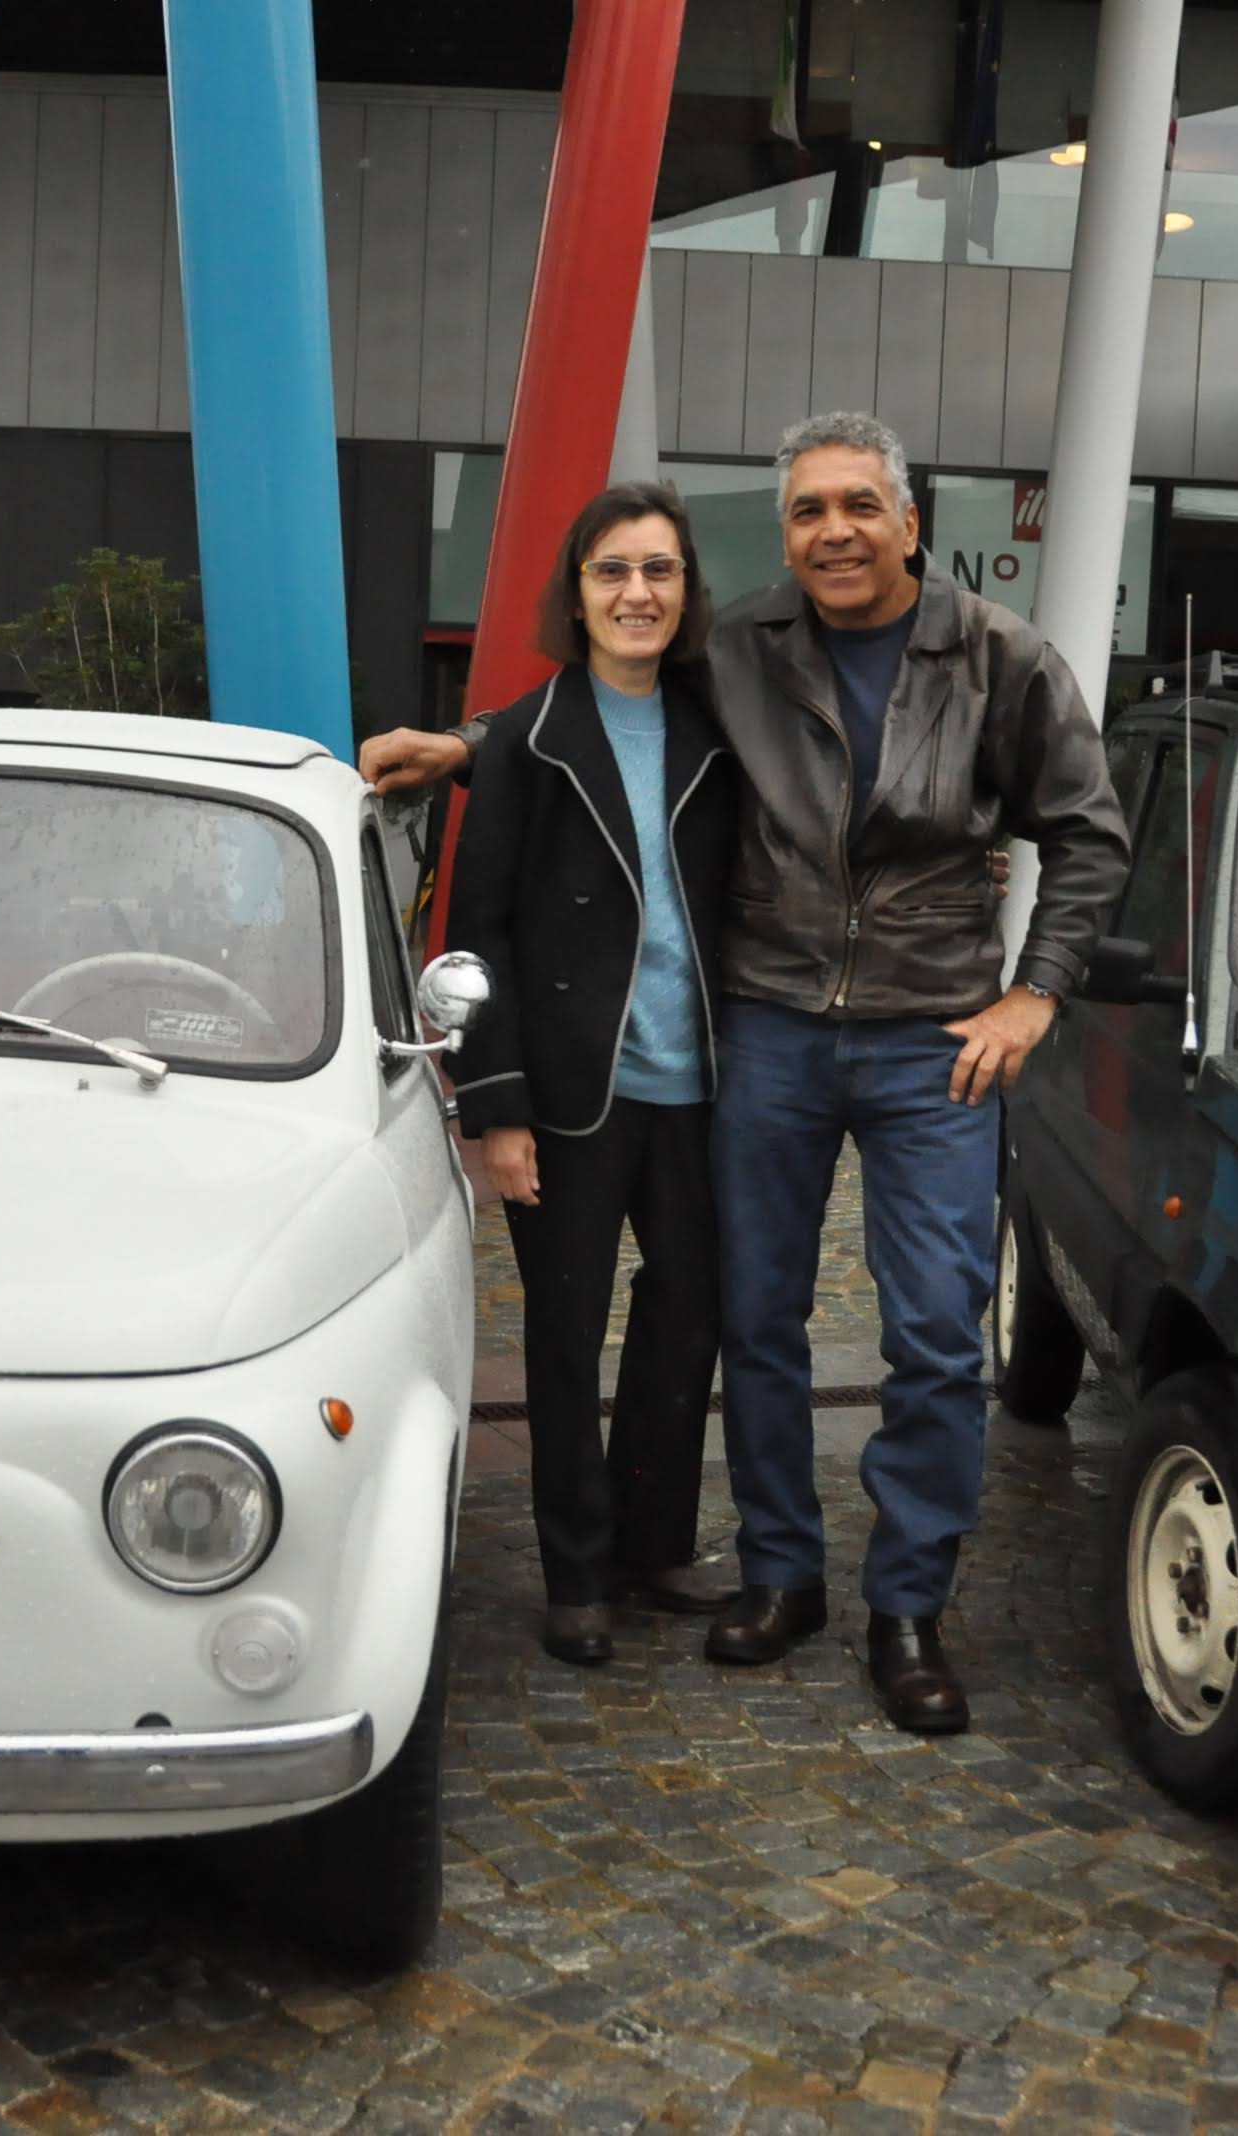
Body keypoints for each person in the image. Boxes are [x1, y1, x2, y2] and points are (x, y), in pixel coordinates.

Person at [362, 412, 1129, 1734]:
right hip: (769, 1027)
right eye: (808, 511)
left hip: (932, 1035)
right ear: (784, 535)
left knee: (936, 1334)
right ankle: (782, 1577)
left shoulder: (1000, 659)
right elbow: (600, 700)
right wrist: (469, 745)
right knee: (755, 1321)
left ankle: (907, 1607)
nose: (834, 531)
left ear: (909, 522)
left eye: (858, 505)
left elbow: (1090, 834)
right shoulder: (745, 646)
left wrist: (1035, 993)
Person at [449, 482, 739, 1667]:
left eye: (659, 570)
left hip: (703, 1089)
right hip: (573, 1094)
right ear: (577, 594)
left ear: (687, 591)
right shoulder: (527, 741)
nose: (637, 592)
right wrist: (497, 1108)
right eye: (612, 570)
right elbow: (480, 931)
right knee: (566, 1334)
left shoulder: (719, 727)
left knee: (687, 1321)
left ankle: (651, 1546)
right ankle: (576, 1571)